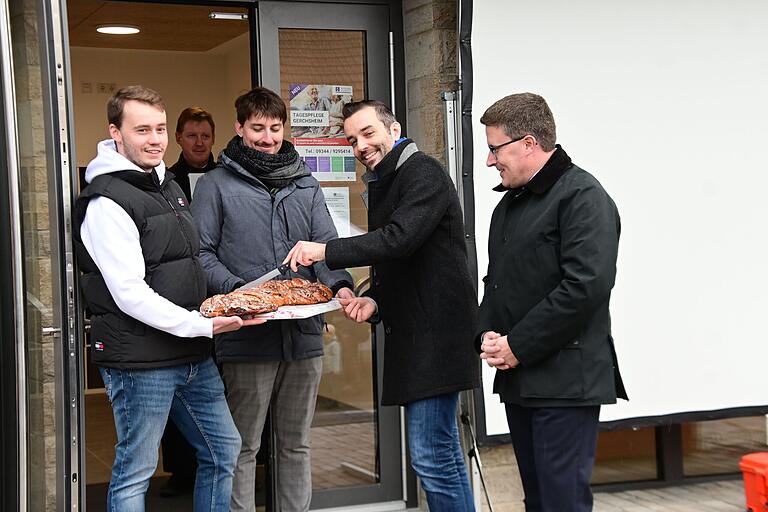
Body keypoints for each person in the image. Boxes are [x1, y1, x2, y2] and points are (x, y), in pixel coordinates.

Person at [73, 85, 264, 511]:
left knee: (222, 451)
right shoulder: (107, 202)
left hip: (192, 354)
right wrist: (202, 324)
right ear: (115, 133)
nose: (155, 138)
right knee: (135, 471)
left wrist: (235, 300)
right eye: (143, 129)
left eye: (160, 128)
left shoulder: (169, 187)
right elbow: (129, 293)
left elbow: (188, 262)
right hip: (142, 361)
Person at [284, 100, 480, 511]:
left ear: (394, 129)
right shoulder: (387, 178)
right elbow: (401, 260)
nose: (360, 145)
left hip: (436, 336)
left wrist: (325, 250)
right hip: (419, 333)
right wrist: (374, 300)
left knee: (431, 455)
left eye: (368, 133)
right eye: (352, 139)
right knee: (440, 453)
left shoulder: (422, 171)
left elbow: (398, 238)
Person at [190, 86, 354, 512]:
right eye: (258, 128)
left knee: (296, 444)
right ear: (239, 128)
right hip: (247, 338)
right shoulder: (215, 185)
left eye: (275, 128)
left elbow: (326, 246)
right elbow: (200, 255)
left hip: (303, 336)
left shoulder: (305, 182)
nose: (267, 137)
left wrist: (342, 287)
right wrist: (245, 295)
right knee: (242, 447)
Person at [477, 92, 627, 512]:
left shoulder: (583, 197)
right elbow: (498, 284)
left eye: (494, 149)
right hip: (522, 379)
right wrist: (485, 335)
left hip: (566, 383)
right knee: (539, 501)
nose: (490, 161)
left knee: (562, 502)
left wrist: (517, 346)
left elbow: (585, 287)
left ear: (528, 143)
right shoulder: (509, 205)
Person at [168, 106, 217, 202]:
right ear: (178, 138)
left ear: (213, 139)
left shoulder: (226, 178)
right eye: (192, 136)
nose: (199, 143)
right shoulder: (168, 182)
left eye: (205, 136)